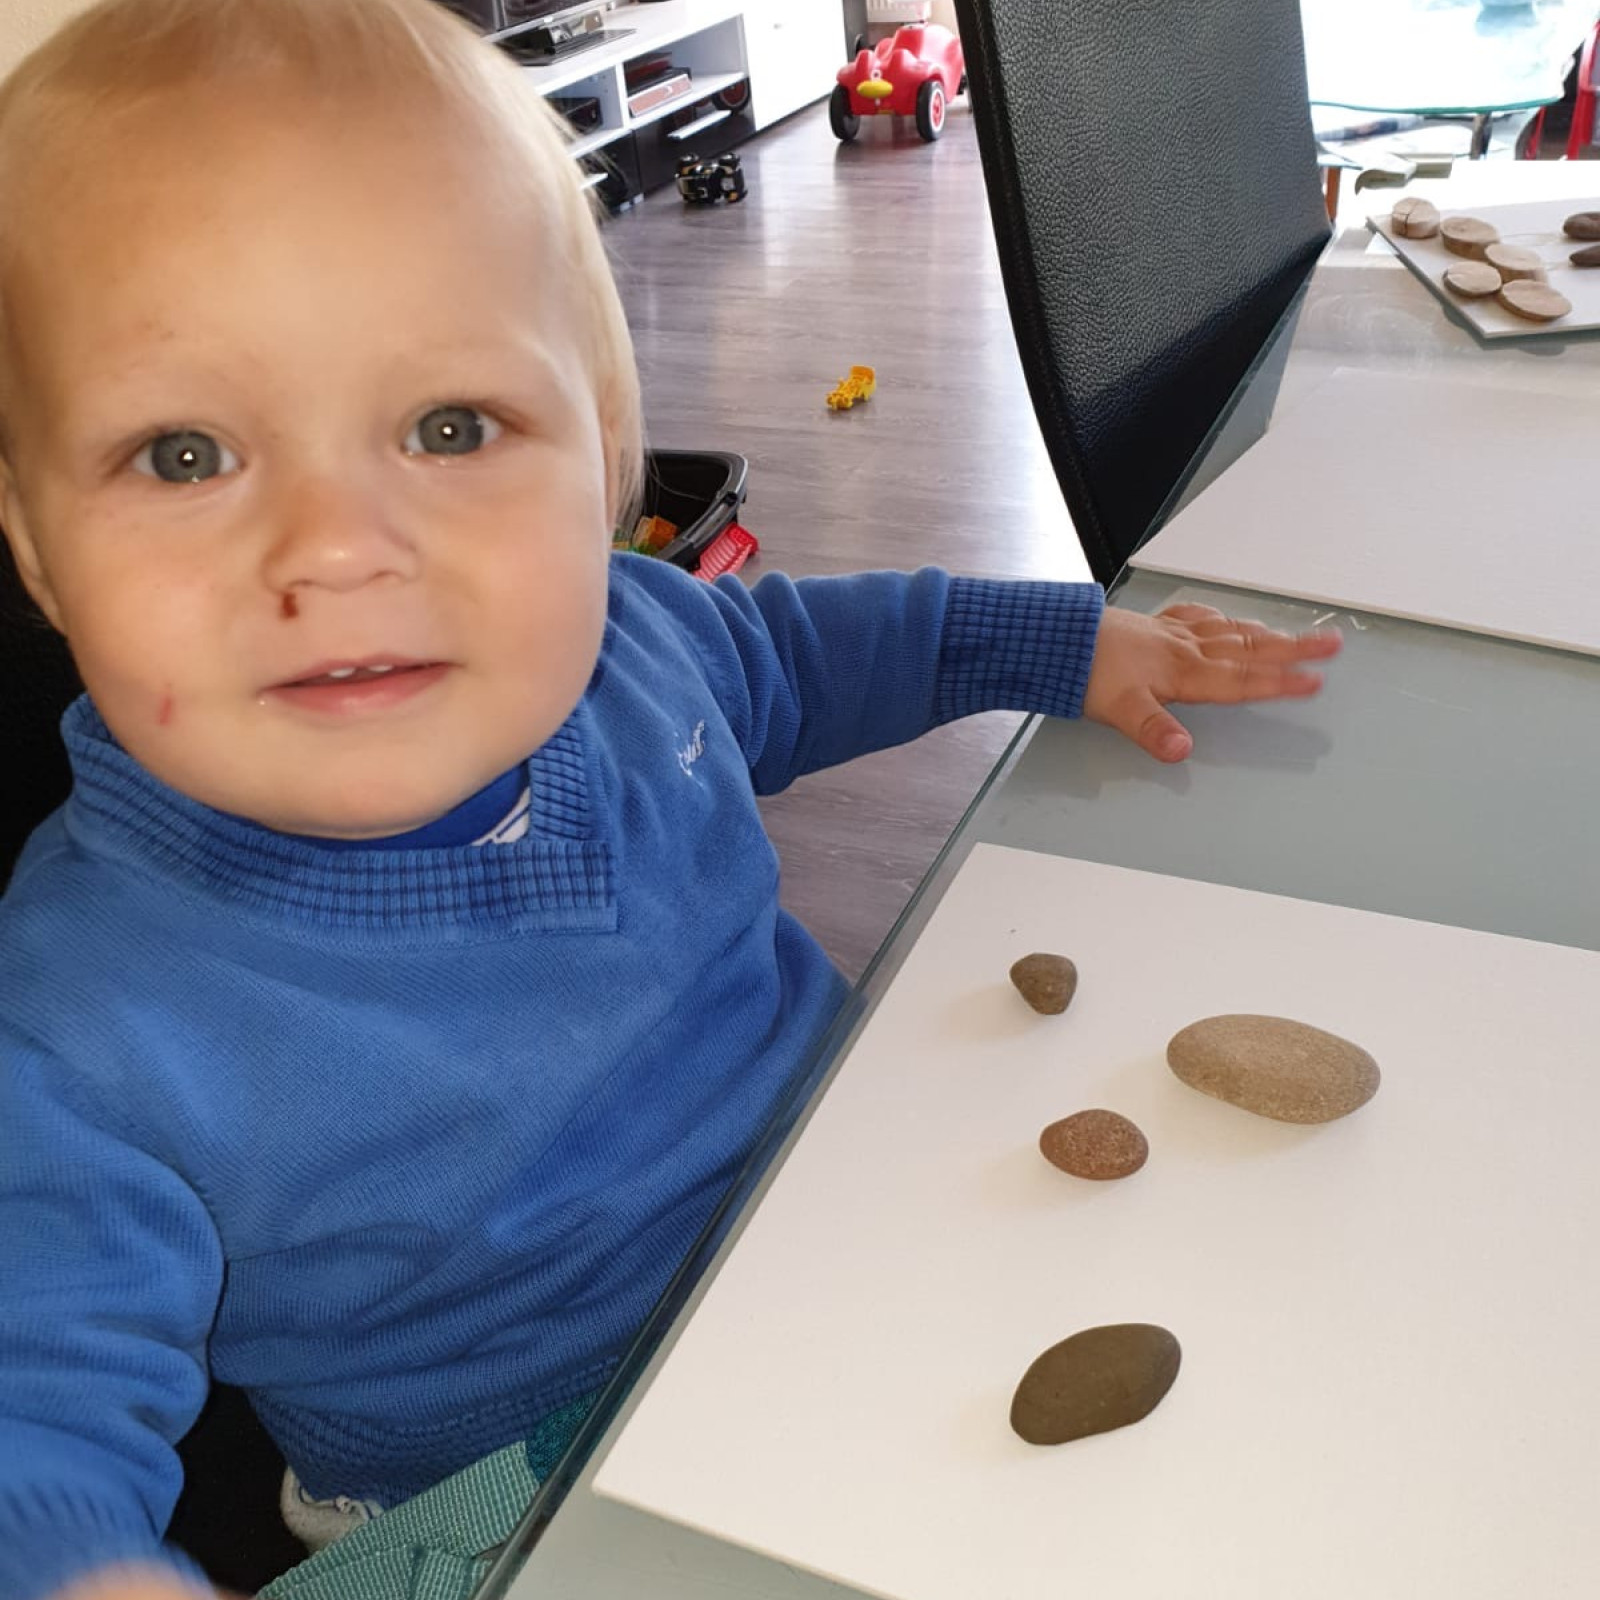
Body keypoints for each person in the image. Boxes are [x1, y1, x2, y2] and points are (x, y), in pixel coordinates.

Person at [0, 1, 1341, 1596]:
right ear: (34, 546)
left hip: (853, 1208)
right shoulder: (72, 1028)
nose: (336, 547)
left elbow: (823, 653)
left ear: (605, 462)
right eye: (182, 455)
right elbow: (32, 1415)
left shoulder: (638, 647)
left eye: (447, 428)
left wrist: (1062, 643)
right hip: (518, 1486)